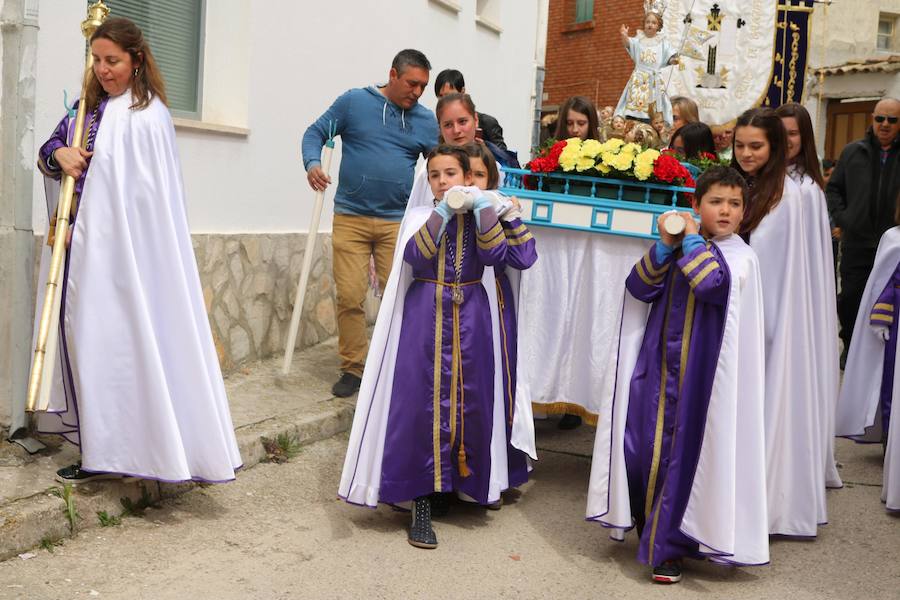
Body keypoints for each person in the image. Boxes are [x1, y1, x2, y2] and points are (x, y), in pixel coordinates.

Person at [34, 17, 242, 484]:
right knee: (91, 348)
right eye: (97, 60)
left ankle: (151, 450)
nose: (104, 70)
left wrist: (89, 225)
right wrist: (58, 156)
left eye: (113, 61)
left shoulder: (149, 118)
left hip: (131, 264)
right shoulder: (86, 110)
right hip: (86, 262)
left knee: (134, 350)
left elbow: (146, 204)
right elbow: (51, 149)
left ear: (136, 61)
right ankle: (99, 451)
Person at [587, 166, 769, 584]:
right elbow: (639, 287)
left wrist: (687, 241)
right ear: (695, 205)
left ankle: (668, 548)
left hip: (701, 381)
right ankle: (648, 525)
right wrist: (664, 247)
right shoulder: (682, 247)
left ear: (744, 211)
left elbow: (710, 285)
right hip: (656, 369)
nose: (725, 211)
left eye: (734, 204)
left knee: (683, 460)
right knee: (640, 450)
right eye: (715, 202)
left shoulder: (740, 257)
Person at [338, 145, 514, 549]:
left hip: (471, 315)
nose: (442, 181)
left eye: (450, 173)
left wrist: (483, 205)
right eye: (434, 175)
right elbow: (416, 257)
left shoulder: (482, 216)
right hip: (425, 316)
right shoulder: (421, 217)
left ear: (466, 177)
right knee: (421, 407)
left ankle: (450, 486)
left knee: (467, 403)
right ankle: (418, 500)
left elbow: (494, 254)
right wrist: (443, 213)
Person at [302, 49, 439, 398]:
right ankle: (353, 368)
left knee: (402, 297)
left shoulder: (425, 120)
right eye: (412, 83)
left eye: (423, 86)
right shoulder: (354, 102)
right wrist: (313, 164)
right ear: (393, 75)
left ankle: (395, 364)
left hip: (398, 222)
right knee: (350, 295)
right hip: (351, 217)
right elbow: (315, 132)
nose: (418, 92)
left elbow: (442, 162)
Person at [733, 107, 829, 537]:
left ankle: (768, 505)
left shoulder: (790, 196)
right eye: (740, 145)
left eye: (756, 146)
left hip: (770, 321)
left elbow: (782, 269)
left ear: (774, 148)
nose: (747, 153)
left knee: (768, 406)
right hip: (738, 316)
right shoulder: (743, 187)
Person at [462, 142, 537, 494]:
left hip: (498, 309)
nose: (474, 183)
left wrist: (507, 214)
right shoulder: (450, 214)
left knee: (497, 388)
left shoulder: (501, 209)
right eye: (468, 175)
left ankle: (498, 474)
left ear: (491, 179)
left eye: (480, 175)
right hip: (462, 310)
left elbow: (524, 257)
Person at [776, 102, 842, 488]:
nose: (787, 141)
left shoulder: (806, 190)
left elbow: (810, 260)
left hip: (796, 302)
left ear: (806, 138)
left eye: (794, 134)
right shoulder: (769, 182)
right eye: (780, 134)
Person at [826, 98, 900, 368]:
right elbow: (834, 189)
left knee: (886, 296)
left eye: (892, 120)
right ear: (873, 119)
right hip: (857, 241)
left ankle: (882, 350)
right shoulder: (852, 152)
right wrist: (844, 218)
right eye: (880, 118)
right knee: (851, 297)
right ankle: (850, 344)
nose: (885, 125)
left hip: (893, 244)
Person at [836, 209, 900, 511]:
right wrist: (881, 317)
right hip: (897, 328)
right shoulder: (893, 239)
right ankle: (891, 446)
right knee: (891, 390)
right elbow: (883, 283)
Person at [614, 2, 679, 124]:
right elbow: (628, 44)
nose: (650, 25)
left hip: (654, 81)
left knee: (654, 105)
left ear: (659, 26)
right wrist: (624, 35)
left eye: (654, 23)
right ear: (644, 24)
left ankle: (654, 122)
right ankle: (633, 119)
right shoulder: (639, 40)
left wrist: (673, 60)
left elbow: (668, 57)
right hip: (639, 78)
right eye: (648, 22)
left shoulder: (663, 42)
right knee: (634, 101)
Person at [433, 68, 508, 151]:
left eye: (462, 122)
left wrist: (486, 152)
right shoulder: (437, 125)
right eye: (441, 97)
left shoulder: (488, 123)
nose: (456, 130)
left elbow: (504, 158)